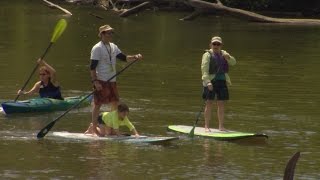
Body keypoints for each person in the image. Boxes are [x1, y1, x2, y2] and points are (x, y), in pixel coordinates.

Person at [85, 24, 143, 136]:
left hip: (112, 80)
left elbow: (124, 58)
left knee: (115, 104)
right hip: (101, 80)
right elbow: (92, 67)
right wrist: (95, 82)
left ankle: (111, 128)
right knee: (98, 104)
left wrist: (135, 56)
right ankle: (93, 128)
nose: (111, 35)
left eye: (112, 32)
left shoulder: (113, 46)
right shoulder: (97, 48)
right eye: (108, 33)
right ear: (102, 34)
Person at [201, 36, 236, 132]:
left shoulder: (224, 53)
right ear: (211, 45)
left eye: (218, 44)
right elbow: (204, 70)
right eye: (214, 44)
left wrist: (228, 57)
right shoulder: (207, 55)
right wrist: (208, 82)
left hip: (222, 81)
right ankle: (206, 126)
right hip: (210, 82)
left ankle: (221, 126)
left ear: (221, 45)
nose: (216, 46)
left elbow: (233, 62)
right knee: (209, 103)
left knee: (221, 104)